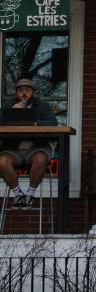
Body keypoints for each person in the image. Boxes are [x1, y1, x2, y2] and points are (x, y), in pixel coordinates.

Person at [0, 78, 58, 209]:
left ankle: (30, 195)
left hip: (36, 147)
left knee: (41, 158)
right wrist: (12, 112)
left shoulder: (41, 105)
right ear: (16, 94)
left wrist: (37, 123)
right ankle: (19, 194)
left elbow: (53, 123)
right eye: (20, 91)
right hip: (13, 149)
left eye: (27, 90)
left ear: (32, 92)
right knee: (2, 161)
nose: (24, 93)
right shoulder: (9, 105)